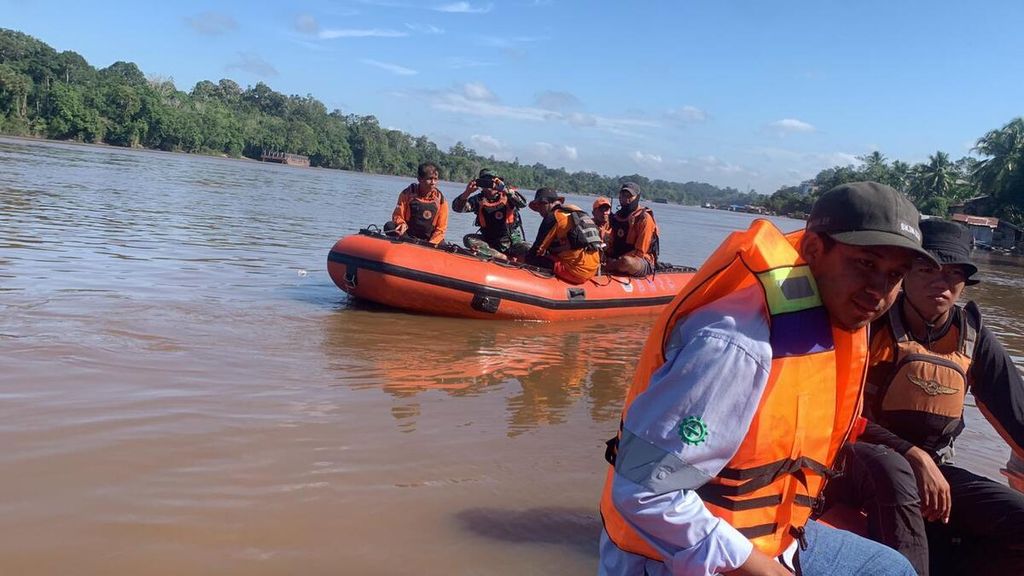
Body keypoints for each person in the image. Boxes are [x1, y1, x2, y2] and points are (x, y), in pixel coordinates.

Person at [600, 181, 930, 576]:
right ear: (812, 250)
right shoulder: (734, 345)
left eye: (895, 275)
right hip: (668, 560)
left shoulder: (822, 322)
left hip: (775, 537)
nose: (879, 291)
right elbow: (642, 492)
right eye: (865, 264)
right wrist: (763, 569)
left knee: (888, 567)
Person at [821, 219, 1024, 576]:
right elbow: (832, 410)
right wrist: (910, 453)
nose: (941, 283)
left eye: (953, 273)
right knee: (895, 469)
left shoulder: (972, 335)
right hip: (856, 457)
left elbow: (1016, 415)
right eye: (928, 268)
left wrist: (925, 461)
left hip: (934, 469)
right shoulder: (871, 322)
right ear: (904, 273)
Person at [524, 187, 604, 284]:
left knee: (531, 259)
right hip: (592, 268)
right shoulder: (574, 212)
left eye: (539, 206)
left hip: (576, 271)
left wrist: (522, 259)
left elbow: (537, 249)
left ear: (546, 203)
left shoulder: (552, 217)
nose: (539, 211)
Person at [452, 169, 530, 260]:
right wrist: (467, 192)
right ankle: (502, 257)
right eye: (484, 182)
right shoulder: (478, 199)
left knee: (529, 250)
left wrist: (504, 189)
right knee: (468, 239)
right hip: (489, 241)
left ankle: (509, 257)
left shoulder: (508, 196)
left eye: (491, 182)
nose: (489, 186)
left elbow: (523, 203)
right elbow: (457, 208)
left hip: (511, 241)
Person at [384, 162, 448, 245]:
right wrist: (401, 223)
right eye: (429, 179)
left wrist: (431, 244)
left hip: (429, 239)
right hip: (408, 235)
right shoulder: (407, 194)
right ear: (419, 179)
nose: (433, 182)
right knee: (389, 226)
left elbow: (441, 229)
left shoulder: (441, 200)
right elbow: (397, 215)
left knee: (442, 243)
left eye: (435, 179)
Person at [605, 182, 659, 277]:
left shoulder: (644, 218)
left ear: (637, 197)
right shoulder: (616, 217)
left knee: (626, 262)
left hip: (640, 260)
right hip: (616, 257)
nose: (626, 199)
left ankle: (609, 267)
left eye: (630, 196)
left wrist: (616, 262)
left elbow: (640, 252)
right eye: (623, 195)